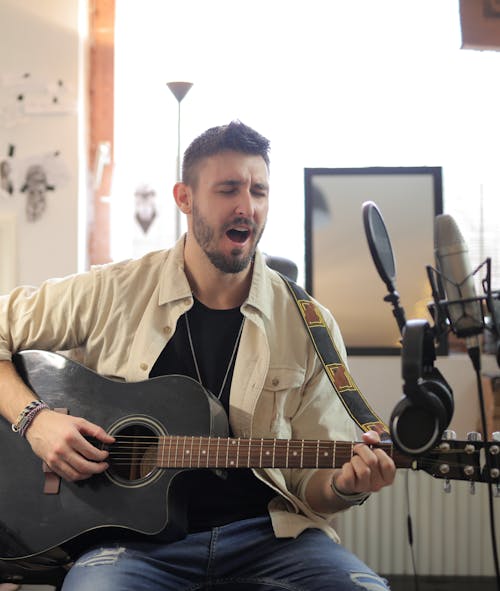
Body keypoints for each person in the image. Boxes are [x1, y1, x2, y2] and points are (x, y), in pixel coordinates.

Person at [0, 121, 396, 591]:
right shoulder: (113, 290)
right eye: (228, 189)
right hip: (130, 545)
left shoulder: (310, 324)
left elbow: (314, 480)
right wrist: (36, 420)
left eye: (259, 191)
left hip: (270, 537)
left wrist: (344, 486)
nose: (247, 206)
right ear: (184, 198)